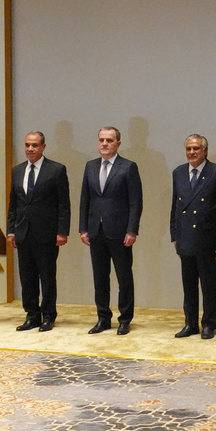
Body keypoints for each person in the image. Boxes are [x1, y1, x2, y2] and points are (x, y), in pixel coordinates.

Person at [79, 126, 143, 336]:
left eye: (109, 140)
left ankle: (125, 319)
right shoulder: (90, 166)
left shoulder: (128, 167)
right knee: (100, 278)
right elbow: (85, 199)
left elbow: (135, 202)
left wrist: (132, 230)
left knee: (124, 277)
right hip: (95, 230)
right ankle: (103, 318)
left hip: (120, 231)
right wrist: (83, 228)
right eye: (101, 140)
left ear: (118, 143)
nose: (104, 144)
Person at [170, 134, 216, 340]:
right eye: (188, 149)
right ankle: (190, 323)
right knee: (188, 285)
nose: (192, 152)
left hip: (208, 239)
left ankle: (209, 324)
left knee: (209, 284)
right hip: (185, 237)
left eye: (196, 148)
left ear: (205, 150)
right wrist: (174, 235)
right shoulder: (178, 172)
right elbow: (175, 206)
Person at [7, 131, 71, 332]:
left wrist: (62, 231)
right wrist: (11, 231)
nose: (30, 149)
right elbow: (13, 204)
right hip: (23, 232)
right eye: (27, 145)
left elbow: (64, 205)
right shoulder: (17, 170)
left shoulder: (56, 170)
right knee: (27, 278)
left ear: (43, 147)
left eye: (34, 145)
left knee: (47, 277)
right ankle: (32, 315)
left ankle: (48, 316)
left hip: (47, 233)